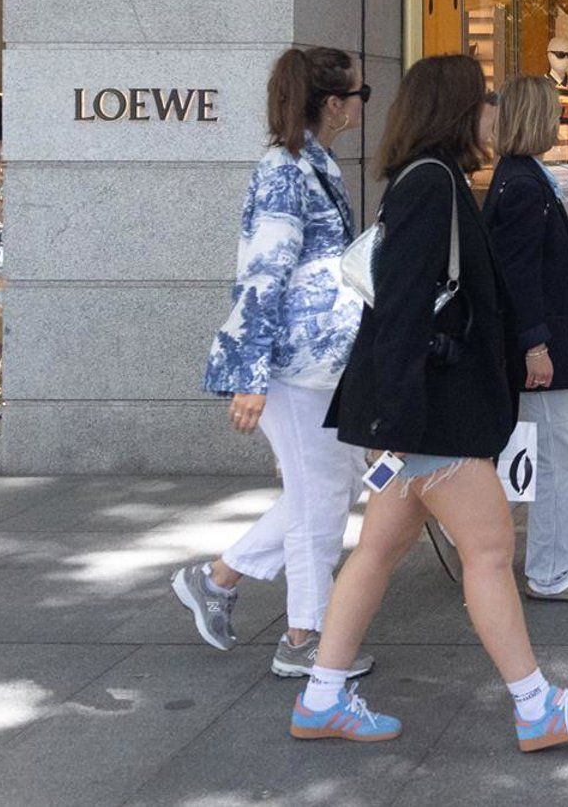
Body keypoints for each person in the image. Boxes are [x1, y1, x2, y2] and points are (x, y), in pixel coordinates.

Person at [291, 54, 568, 752]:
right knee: (491, 550)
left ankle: (321, 695)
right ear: (456, 110)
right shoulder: (433, 184)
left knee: (376, 552)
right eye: (483, 101)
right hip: (431, 416)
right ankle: (535, 704)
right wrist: (396, 422)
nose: (493, 113)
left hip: (418, 416)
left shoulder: (426, 179)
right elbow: (403, 309)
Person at [176, 47, 372, 678]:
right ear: (335, 105)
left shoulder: (312, 165)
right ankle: (303, 637)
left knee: (331, 488)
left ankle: (219, 579)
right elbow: (263, 276)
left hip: (317, 362)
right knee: (319, 502)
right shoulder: (287, 171)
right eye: (359, 96)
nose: (361, 106)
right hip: (294, 364)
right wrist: (252, 376)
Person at [484, 75, 568, 604]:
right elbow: (520, 276)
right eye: (554, 111)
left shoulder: (522, 177)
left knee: (543, 454)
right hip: (543, 354)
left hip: (544, 348)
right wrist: (535, 346)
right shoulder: (524, 186)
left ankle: (511, 550)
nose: (561, 119)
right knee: (560, 459)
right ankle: (553, 571)